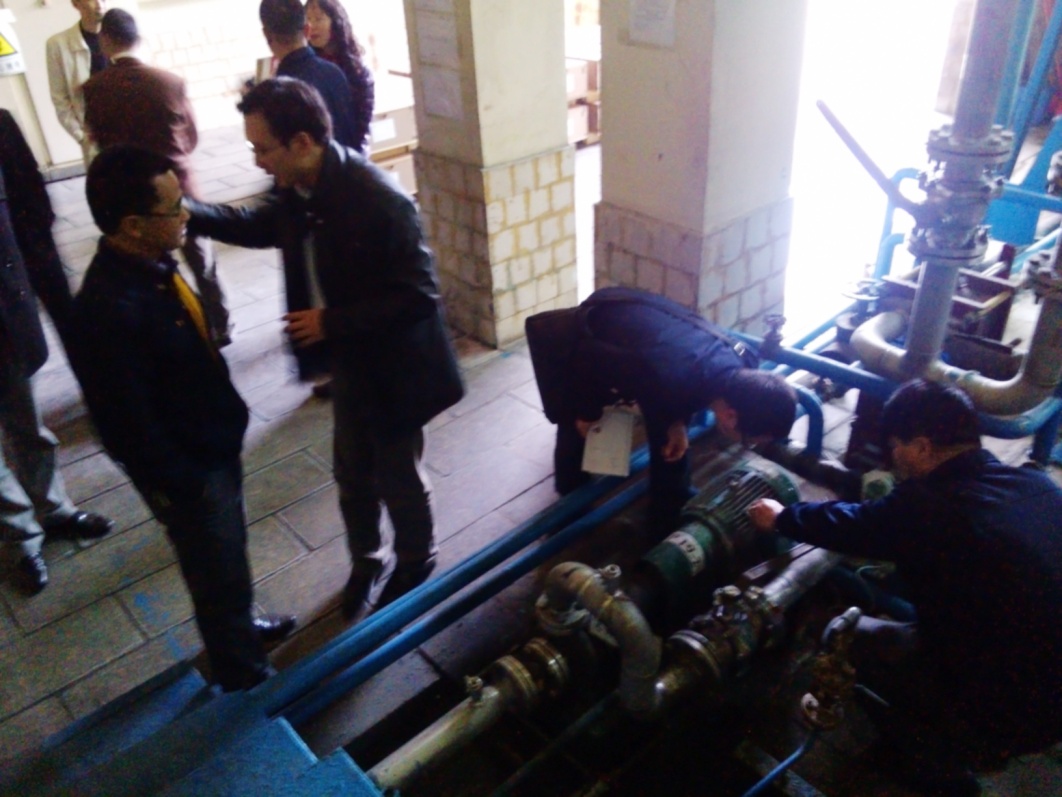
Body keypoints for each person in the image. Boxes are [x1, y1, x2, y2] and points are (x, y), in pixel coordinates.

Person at [185, 78, 464, 625]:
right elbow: (259, 225)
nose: (258, 161)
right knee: (352, 474)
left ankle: (416, 559)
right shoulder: (301, 187)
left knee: (398, 474)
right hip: (350, 362)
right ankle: (367, 560)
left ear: (303, 142)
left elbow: (419, 295)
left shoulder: (378, 199)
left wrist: (330, 322)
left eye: (263, 148)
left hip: (395, 369)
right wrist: (186, 211)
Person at [748, 380, 1062, 791]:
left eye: (896, 447)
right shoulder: (1036, 484)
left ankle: (936, 758)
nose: (892, 458)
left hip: (1012, 710)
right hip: (1049, 689)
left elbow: (852, 525)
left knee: (843, 635)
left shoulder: (928, 508)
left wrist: (782, 517)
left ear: (923, 447)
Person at [72, 145, 296, 691]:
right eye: (173, 208)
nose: (186, 214)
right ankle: (244, 675)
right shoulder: (107, 310)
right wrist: (185, 483)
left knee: (227, 557)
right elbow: (125, 426)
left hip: (211, 441)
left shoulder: (150, 265)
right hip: (191, 469)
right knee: (213, 571)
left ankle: (242, 629)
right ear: (132, 225)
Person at [526, 286, 797, 526]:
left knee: (671, 445)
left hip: (648, 334)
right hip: (594, 327)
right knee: (574, 421)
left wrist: (677, 424)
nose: (747, 445)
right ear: (730, 416)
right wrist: (587, 413)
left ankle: (666, 514)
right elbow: (586, 360)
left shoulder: (744, 361)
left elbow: (689, 386)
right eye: (748, 441)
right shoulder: (666, 378)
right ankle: (568, 507)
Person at [0, 110, 114, 595]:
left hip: (5, 312)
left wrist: (43, 293)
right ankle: (21, 535)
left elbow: (31, 209)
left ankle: (54, 510)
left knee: (28, 423)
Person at [82, 9, 231, 347]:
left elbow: (99, 141)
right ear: (138, 38)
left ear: (105, 41)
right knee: (202, 261)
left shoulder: (94, 89)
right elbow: (191, 137)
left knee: (146, 267)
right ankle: (220, 325)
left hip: (131, 198)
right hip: (178, 186)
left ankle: (171, 333)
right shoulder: (169, 82)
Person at [259, 0, 360, 150]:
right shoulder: (334, 72)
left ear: (266, 34)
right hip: (347, 163)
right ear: (307, 29)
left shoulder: (278, 92)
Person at [305, 0, 375, 153]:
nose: (311, 26)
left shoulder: (358, 70)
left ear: (336, 22)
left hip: (350, 153)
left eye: (318, 19)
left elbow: (362, 126)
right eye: (308, 19)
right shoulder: (306, 67)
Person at [45, 0, 108, 165]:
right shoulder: (58, 44)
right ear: (76, 4)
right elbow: (60, 99)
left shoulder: (121, 36)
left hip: (130, 130)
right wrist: (81, 136)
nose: (100, 4)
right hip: (94, 136)